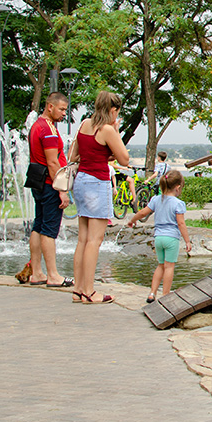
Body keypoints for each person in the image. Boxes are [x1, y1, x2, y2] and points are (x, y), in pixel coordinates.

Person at [68, 91, 129, 305]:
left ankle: (78, 289)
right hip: (97, 181)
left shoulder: (85, 124)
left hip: (81, 180)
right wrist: (116, 131)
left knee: (83, 239)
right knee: (95, 240)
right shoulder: (107, 130)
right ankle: (90, 292)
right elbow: (124, 158)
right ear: (113, 110)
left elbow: (75, 154)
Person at [25, 92, 73, 287]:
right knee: (49, 230)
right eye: (61, 109)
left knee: (38, 226)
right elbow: (53, 162)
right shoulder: (48, 130)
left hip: (39, 183)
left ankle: (36, 272)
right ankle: (53, 275)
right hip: (49, 185)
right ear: (50, 106)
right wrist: (62, 190)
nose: (64, 114)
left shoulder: (37, 125)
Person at [127, 170, 192, 304]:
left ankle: (152, 293)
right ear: (178, 187)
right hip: (171, 238)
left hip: (158, 238)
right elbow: (181, 223)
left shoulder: (156, 199)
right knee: (169, 267)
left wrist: (132, 220)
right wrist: (187, 241)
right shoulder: (178, 203)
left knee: (160, 266)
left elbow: (144, 212)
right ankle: (166, 295)